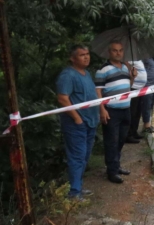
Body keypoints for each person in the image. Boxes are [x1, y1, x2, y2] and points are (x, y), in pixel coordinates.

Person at [56, 45, 100, 199]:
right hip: (76, 124)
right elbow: (62, 98)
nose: (86, 57)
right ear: (73, 58)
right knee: (77, 156)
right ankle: (74, 192)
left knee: (85, 156)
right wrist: (77, 118)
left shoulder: (86, 73)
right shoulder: (68, 75)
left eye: (87, 54)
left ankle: (78, 187)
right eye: (82, 55)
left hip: (90, 122)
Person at [95, 41, 137, 184]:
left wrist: (133, 77)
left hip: (126, 109)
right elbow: (98, 91)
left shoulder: (126, 68)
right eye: (115, 50)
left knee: (121, 139)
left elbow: (128, 87)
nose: (118, 53)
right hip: (111, 110)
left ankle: (116, 165)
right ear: (109, 52)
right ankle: (111, 171)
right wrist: (102, 109)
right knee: (111, 141)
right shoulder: (103, 70)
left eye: (120, 50)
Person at [126, 59, 146, 143]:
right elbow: (126, 66)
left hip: (140, 89)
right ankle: (129, 135)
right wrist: (131, 69)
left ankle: (134, 132)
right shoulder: (128, 58)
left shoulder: (139, 60)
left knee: (138, 112)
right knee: (132, 112)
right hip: (133, 88)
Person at [141, 56, 154, 134]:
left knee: (151, 105)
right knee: (146, 106)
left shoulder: (153, 58)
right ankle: (146, 125)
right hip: (147, 86)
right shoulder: (145, 58)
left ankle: (149, 123)